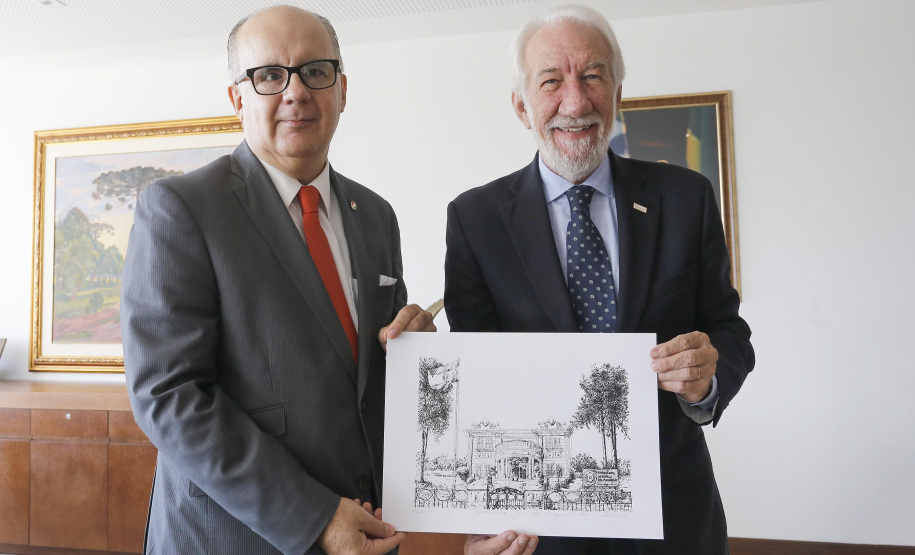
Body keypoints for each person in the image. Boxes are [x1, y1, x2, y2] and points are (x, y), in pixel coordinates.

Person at [121, 6, 434, 554]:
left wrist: (415, 351)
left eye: (315, 71)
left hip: (369, 530)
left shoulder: (376, 215)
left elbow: (367, 377)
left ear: (342, 89)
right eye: (269, 75)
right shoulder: (181, 208)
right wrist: (314, 518)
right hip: (235, 536)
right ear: (237, 98)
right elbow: (169, 396)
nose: (296, 92)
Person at [446, 5, 754, 554]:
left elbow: (728, 332)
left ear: (617, 93)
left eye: (593, 75)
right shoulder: (475, 219)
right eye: (551, 81)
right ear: (521, 106)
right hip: (540, 529)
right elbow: (478, 378)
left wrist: (706, 378)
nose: (575, 101)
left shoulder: (686, 199)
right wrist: (477, 518)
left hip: (675, 516)